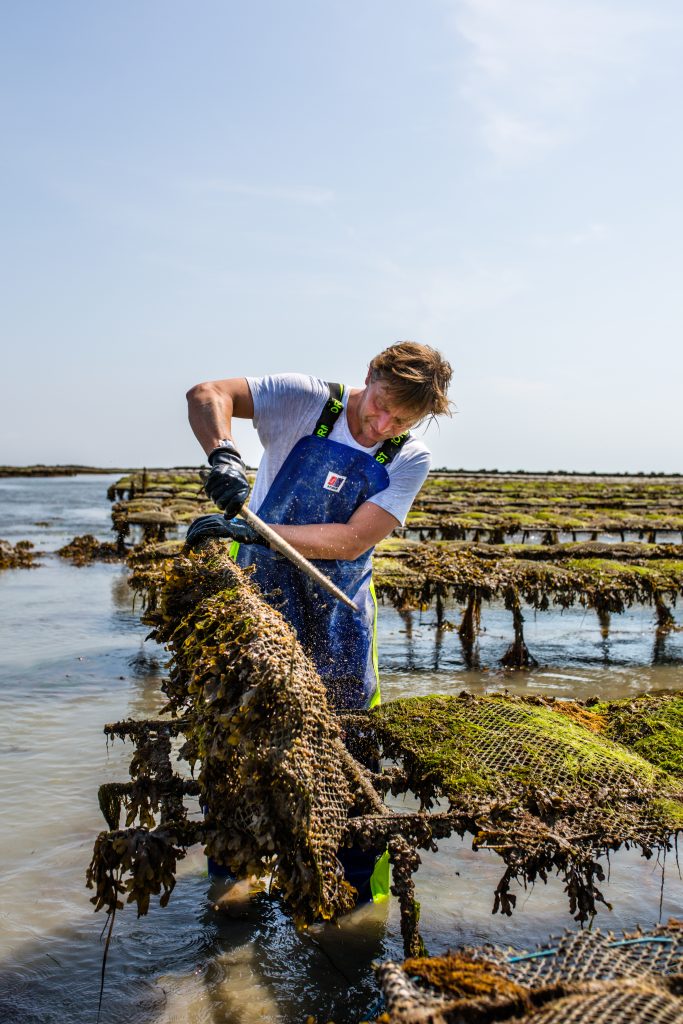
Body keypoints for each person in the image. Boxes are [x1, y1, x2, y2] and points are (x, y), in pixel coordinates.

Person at [186, 341, 452, 900]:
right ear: (370, 375)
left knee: (352, 742)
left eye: (402, 419)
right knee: (241, 732)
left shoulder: (408, 457)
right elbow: (207, 394)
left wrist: (253, 531)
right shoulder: (307, 401)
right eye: (380, 404)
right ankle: (237, 881)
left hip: (340, 610)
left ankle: (357, 894)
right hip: (260, 593)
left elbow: (355, 539)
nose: (382, 424)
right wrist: (223, 455)